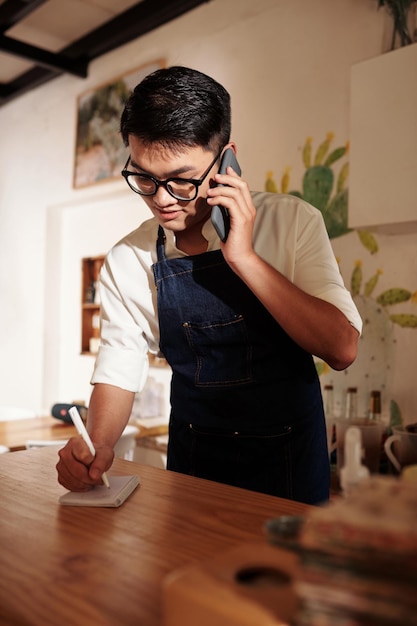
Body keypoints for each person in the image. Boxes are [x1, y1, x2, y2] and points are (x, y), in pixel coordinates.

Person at [57, 66, 361, 504]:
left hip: (290, 473)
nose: (161, 198)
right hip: (192, 471)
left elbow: (342, 349)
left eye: (182, 179)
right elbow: (119, 367)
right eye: (143, 177)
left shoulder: (292, 222)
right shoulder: (130, 259)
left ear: (226, 159)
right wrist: (97, 446)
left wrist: (245, 258)